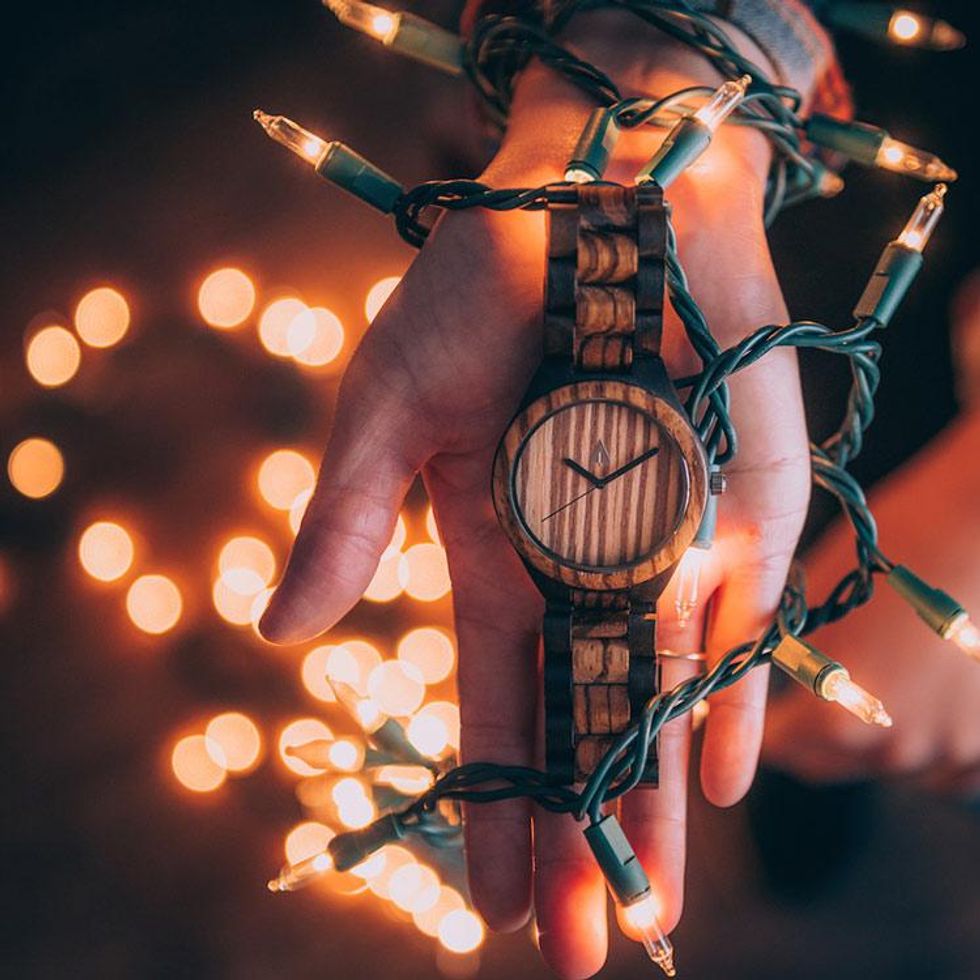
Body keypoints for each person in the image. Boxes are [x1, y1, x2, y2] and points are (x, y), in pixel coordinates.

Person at [256, 3, 965, 977]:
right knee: (764, 653)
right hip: (786, 186)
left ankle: (799, 797)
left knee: (767, 646)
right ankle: (796, 798)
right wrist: (650, 51)